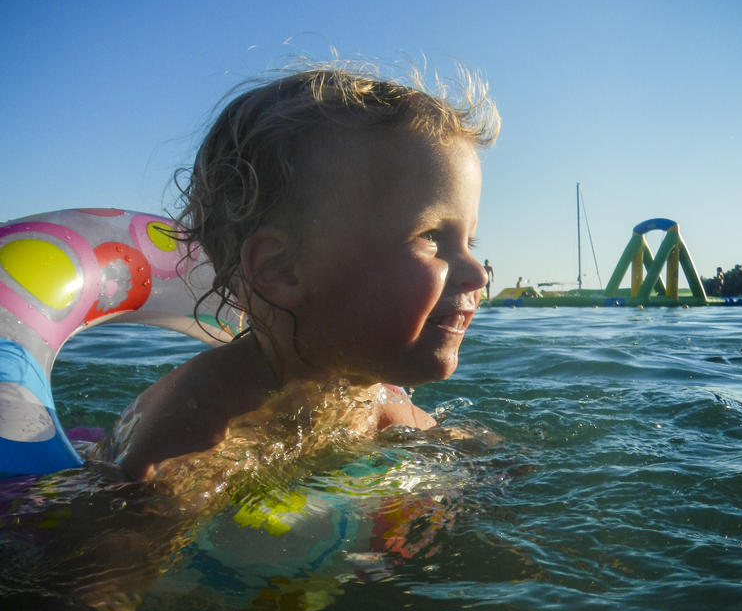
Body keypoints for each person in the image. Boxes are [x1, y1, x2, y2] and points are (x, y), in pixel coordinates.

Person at [101, 64, 500, 485]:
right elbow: (122, 539)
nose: (478, 273)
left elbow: (455, 451)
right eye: (431, 236)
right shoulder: (197, 430)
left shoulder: (375, 397)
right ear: (281, 269)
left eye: (469, 242)